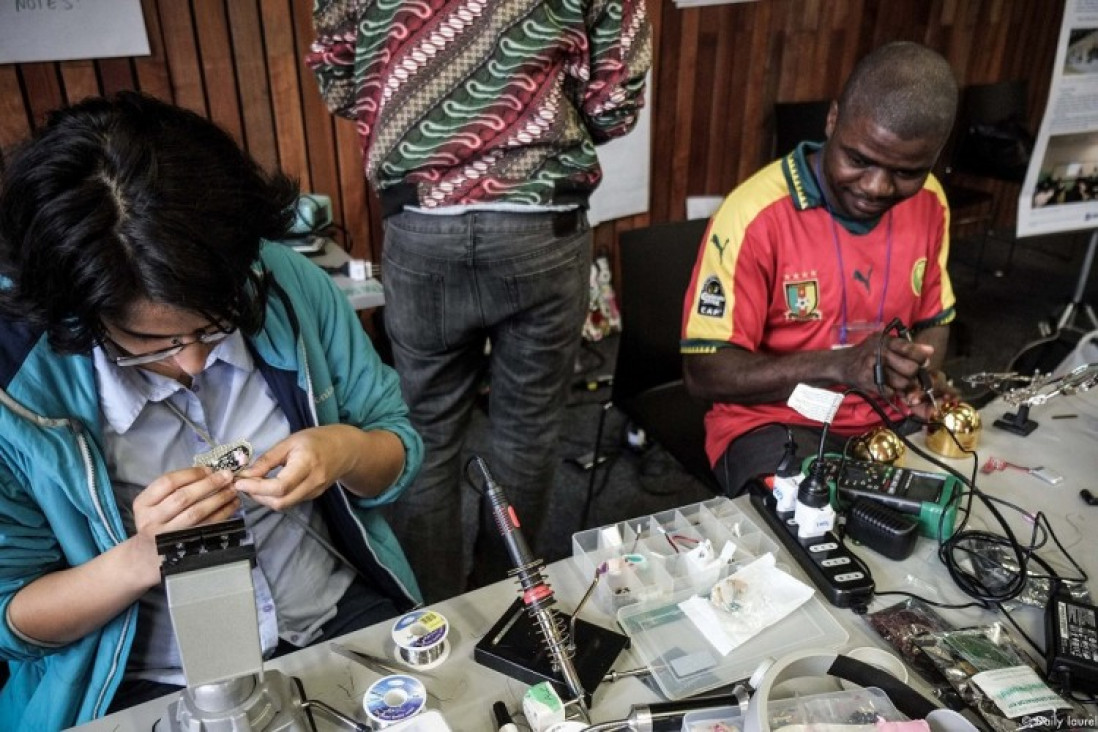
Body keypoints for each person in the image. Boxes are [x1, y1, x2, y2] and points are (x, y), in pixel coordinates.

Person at [0, 92, 424, 730]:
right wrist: (140, 558)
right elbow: (12, 622)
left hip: (329, 617)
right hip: (143, 677)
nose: (195, 362)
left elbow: (397, 448)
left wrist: (346, 451)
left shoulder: (282, 281)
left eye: (215, 324)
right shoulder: (17, 382)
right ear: (79, 311)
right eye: (153, 341)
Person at [308, 0, 652, 601]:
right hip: (541, 218)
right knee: (527, 430)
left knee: (425, 428)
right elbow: (615, 101)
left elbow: (338, 78)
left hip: (421, 218)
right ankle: (504, 597)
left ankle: (431, 609)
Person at [681, 41, 959, 497]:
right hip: (775, 424)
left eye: (906, 172)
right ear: (832, 121)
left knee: (953, 515)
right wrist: (840, 365)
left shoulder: (931, 201)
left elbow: (934, 320)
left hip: (887, 418)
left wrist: (916, 373)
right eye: (859, 159)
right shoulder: (754, 214)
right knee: (810, 538)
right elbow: (705, 373)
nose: (875, 187)